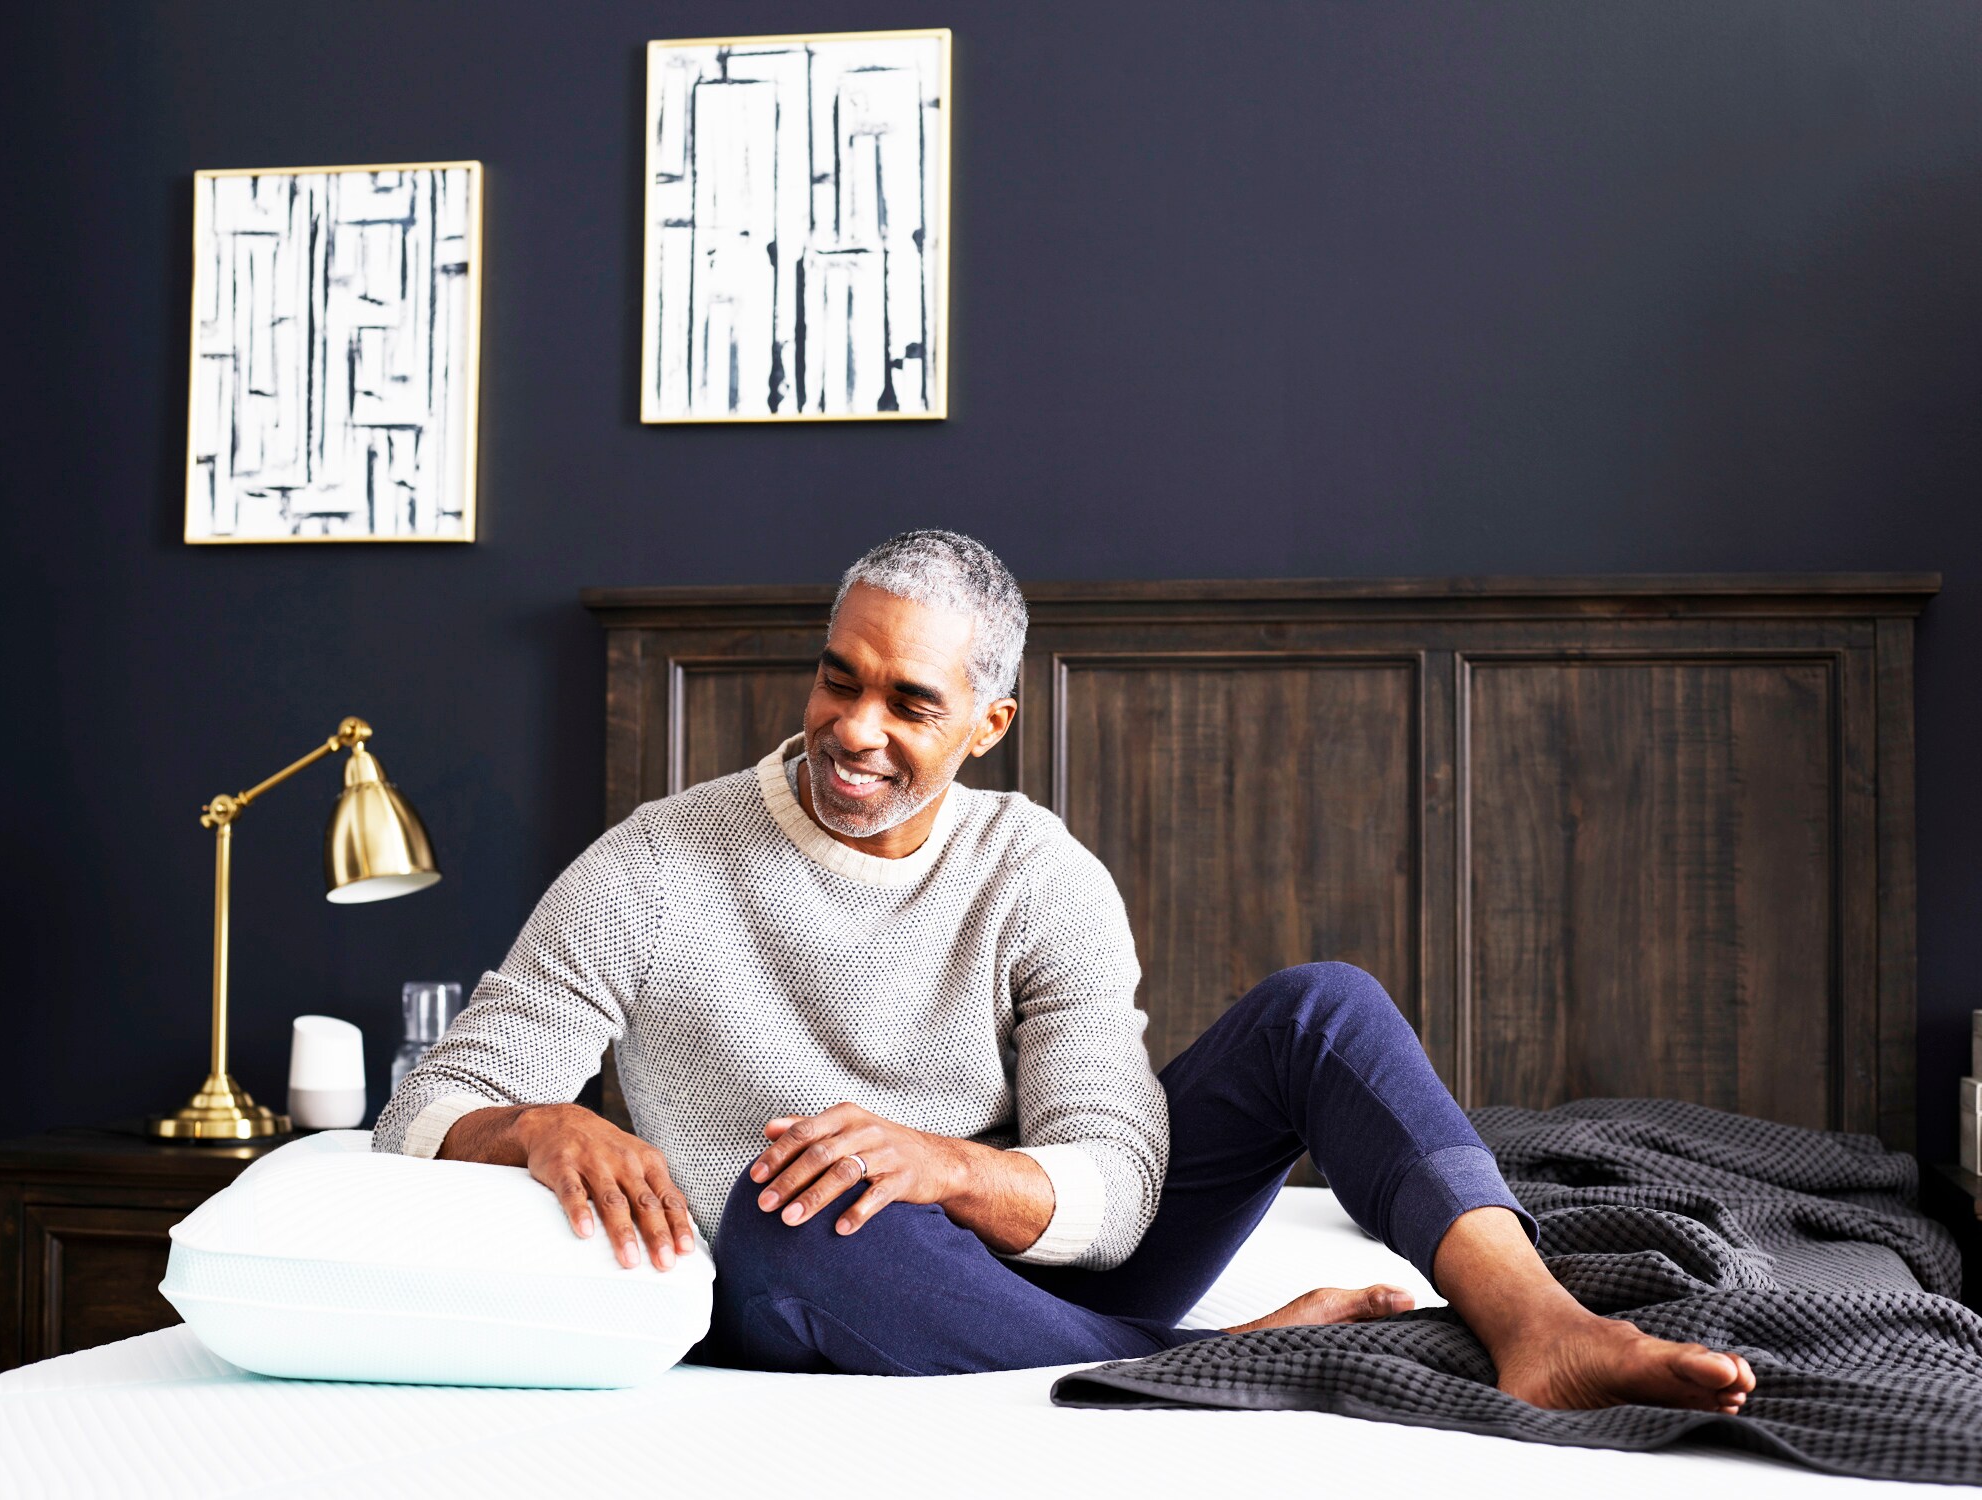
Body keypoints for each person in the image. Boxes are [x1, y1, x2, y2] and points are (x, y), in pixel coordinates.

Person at [375, 529, 1756, 1411]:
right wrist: (536, 1121)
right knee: (791, 1213)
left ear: (990, 720)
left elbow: (1116, 1183)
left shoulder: (1036, 872)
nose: (853, 729)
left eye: (909, 703)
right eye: (836, 678)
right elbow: (429, 1106)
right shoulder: (658, 864)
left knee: (1323, 1009)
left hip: (1052, 1255)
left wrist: (954, 1165)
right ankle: (1224, 1360)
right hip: (830, 1284)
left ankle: (1545, 1327)